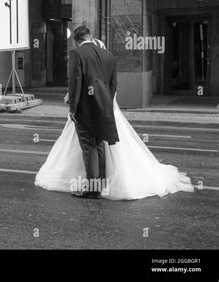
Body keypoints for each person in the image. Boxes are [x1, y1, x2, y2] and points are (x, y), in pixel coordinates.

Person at [35, 27, 194, 200]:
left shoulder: (77, 54)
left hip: (86, 108)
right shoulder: (108, 55)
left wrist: (73, 109)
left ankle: (93, 189)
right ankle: (102, 183)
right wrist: (107, 104)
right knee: (100, 144)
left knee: (89, 147)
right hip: (105, 107)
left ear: (76, 40)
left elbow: (76, 83)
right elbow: (113, 84)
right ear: (90, 37)